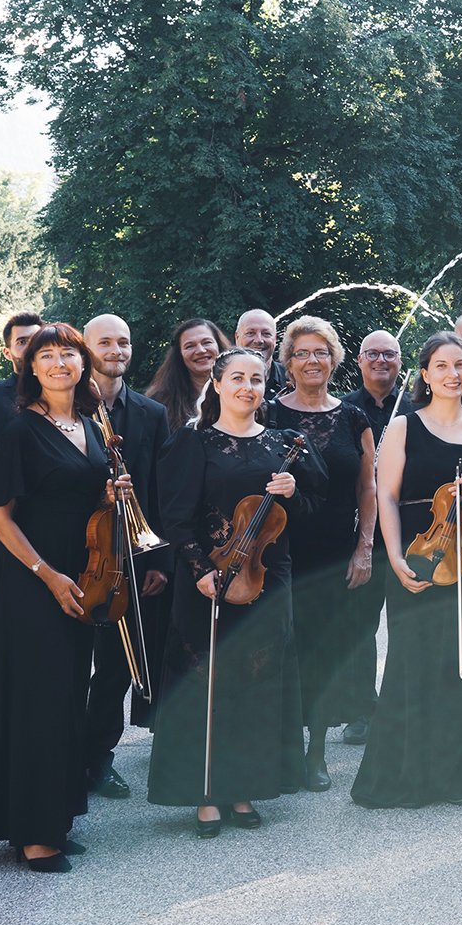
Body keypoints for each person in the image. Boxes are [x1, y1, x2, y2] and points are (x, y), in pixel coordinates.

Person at [0, 323, 132, 872]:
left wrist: (109, 493)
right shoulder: (21, 428)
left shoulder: (87, 425)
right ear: (31, 368)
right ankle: (34, 834)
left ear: (82, 365)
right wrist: (47, 574)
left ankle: (50, 819)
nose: (60, 363)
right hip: (33, 582)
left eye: (69, 354)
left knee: (64, 700)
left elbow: (77, 499)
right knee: (36, 702)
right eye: (48, 356)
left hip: (80, 578)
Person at [149, 348, 324, 838]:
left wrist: (295, 491)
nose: (249, 386)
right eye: (239, 378)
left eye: (257, 378)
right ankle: (206, 792)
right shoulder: (193, 442)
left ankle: (246, 785)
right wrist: (202, 570)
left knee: (257, 682)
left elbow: (312, 510)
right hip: (208, 579)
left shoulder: (285, 443)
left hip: (269, 577)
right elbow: (175, 518)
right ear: (219, 384)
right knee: (208, 682)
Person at [352, 333, 462, 810]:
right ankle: (413, 776)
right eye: (442, 366)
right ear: (425, 374)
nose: (453, 374)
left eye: (461, 366)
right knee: (416, 657)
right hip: (420, 550)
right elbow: (385, 495)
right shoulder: (404, 425)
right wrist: (395, 557)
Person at [266, 316, 376, 792]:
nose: (312, 360)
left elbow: (367, 487)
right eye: (302, 353)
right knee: (282, 649)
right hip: (280, 550)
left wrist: (364, 548)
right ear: (287, 362)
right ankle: (280, 749)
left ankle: (316, 753)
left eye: (321, 352)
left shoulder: (353, 416)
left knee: (324, 652)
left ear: (334, 359)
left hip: (335, 552)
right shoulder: (269, 413)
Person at [78, 314, 172, 801]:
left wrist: (158, 559)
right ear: (86, 347)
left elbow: (160, 491)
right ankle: (64, 757)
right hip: (79, 555)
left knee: (116, 666)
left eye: (124, 342)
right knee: (71, 667)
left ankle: (99, 758)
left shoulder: (150, 414)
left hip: (131, 560)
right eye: (105, 342)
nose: (116, 349)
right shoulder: (64, 409)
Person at [339, 330, 406, 744]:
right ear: (360, 361)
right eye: (373, 354)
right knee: (358, 627)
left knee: (405, 623)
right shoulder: (343, 409)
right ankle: (361, 709)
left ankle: (401, 707)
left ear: (400, 361)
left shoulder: (416, 407)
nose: (382, 360)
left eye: (390, 354)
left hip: (408, 530)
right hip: (361, 533)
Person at [146, 318, 231, 428]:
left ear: (219, 346)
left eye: (207, 342)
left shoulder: (241, 392)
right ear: (179, 355)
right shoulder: (159, 403)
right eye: (190, 346)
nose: (200, 350)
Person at [0, 311, 44, 433]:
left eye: (37, 340)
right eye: (22, 342)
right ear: (7, 353)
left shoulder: (69, 393)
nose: (31, 347)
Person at [234, 309, 289, 393]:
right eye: (250, 333)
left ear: (275, 339)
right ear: (237, 337)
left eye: (266, 333)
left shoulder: (293, 378)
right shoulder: (222, 379)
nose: (258, 340)